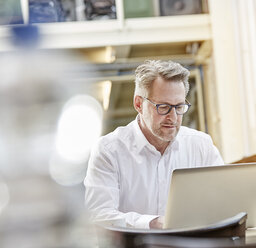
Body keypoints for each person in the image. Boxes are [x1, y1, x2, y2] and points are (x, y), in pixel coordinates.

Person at [84, 60, 224, 229]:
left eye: (179, 107)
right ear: (138, 104)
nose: (173, 117)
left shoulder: (201, 145)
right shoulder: (109, 150)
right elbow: (99, 215)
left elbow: (221, 202)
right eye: (163, 107)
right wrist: (152, 223)